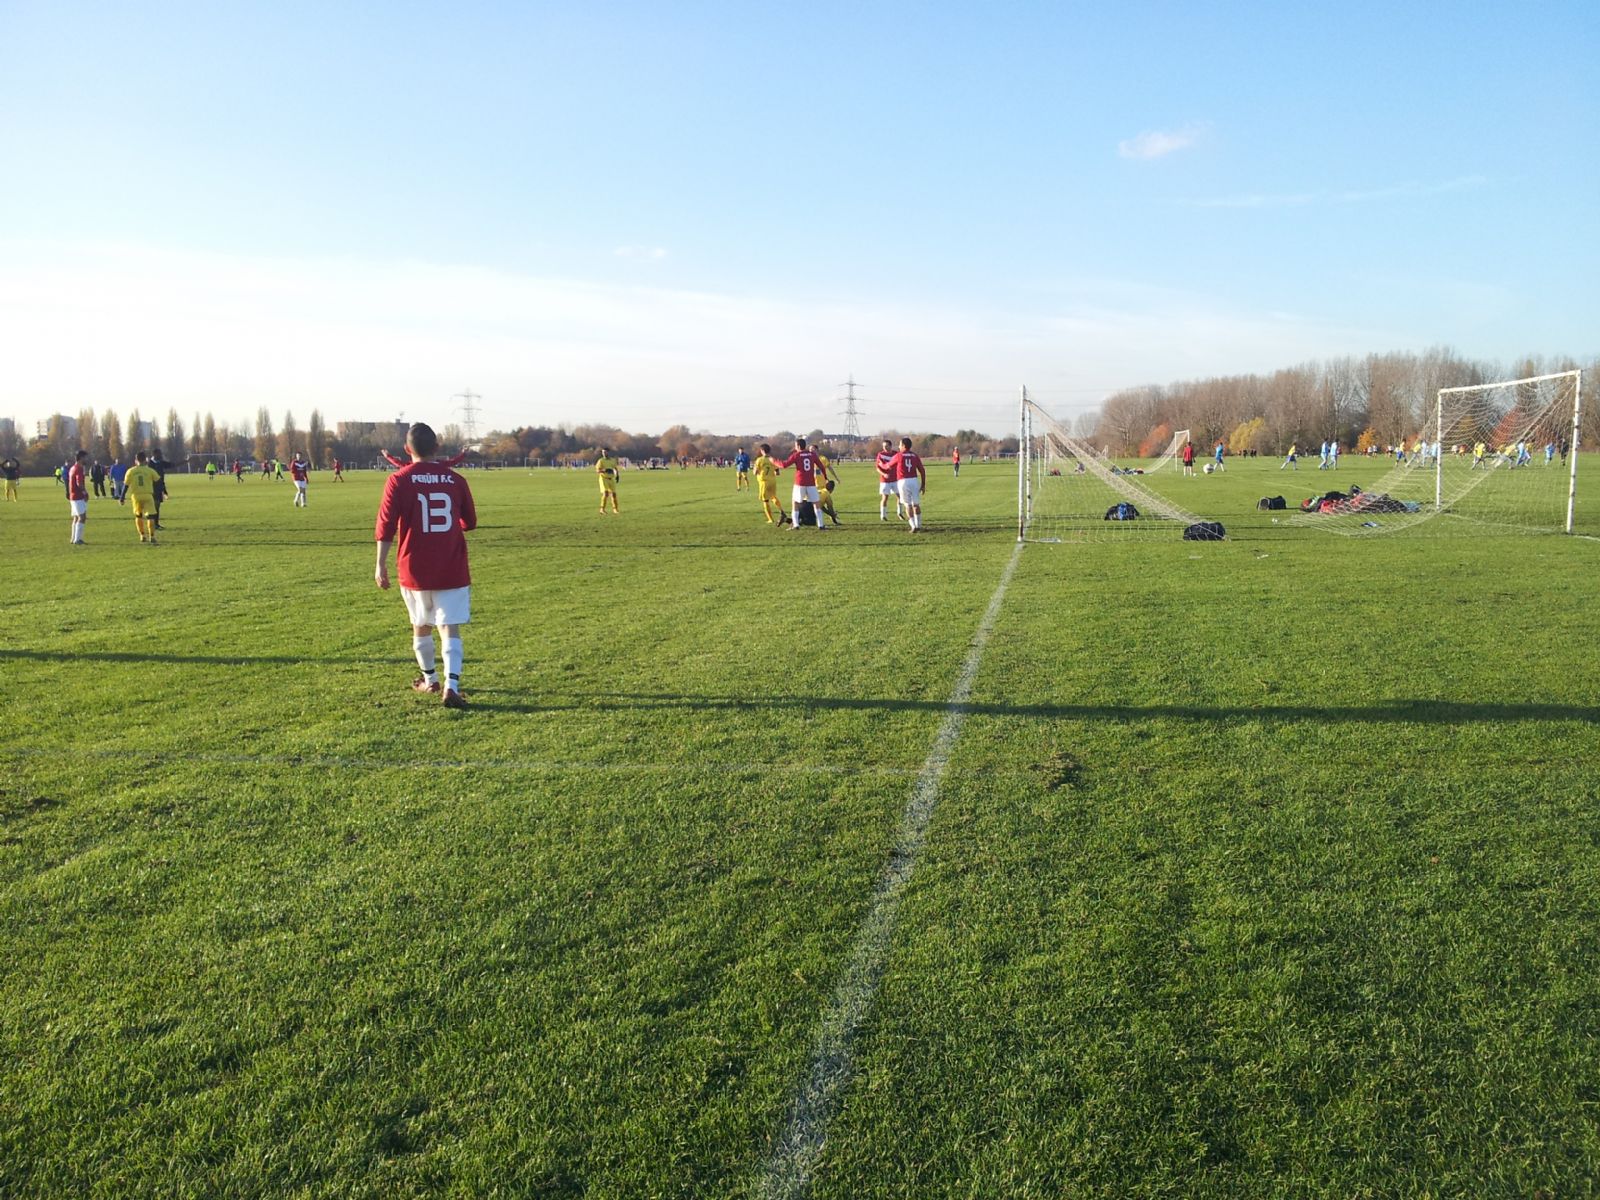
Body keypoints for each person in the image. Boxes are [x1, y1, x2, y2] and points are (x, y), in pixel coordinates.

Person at [374, 423, 477, 709]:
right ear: (437, 448)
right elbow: (470, 523)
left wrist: (380, 565)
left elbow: (385, 526)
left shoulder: (398, 480)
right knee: (449, 628)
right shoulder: (456, 480)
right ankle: (451, 685)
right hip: (451, 565)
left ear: (407, 450)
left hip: (414, 565)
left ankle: (430, 680)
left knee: (420, 625)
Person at [777, 437, 827, 532]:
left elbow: (784, 465)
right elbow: (821, 466)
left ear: (799, 446)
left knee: (795, 503)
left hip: (800, 483)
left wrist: (774, 461)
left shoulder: (797, 455)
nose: (795, 447)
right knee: (816, 504)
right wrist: (825, 477)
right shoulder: (812, 455)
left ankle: (796, 525)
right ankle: (821, 525)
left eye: (795, 446)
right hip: (811, 483)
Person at [887, 437, 927, 532]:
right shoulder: (915, 455)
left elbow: (888, 465)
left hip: (903, 481)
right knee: (916, 504)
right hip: (914, 480)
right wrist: (923, 484)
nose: (899, 447)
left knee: (907, 505)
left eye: (900, 445)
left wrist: (880, 465)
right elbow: (922, 470)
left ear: (904, 446)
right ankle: (919, 525)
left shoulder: (899, 455)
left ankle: (913, 526)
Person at [124, 451, 162, 544]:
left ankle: (142, 535)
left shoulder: (131, 471)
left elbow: (126, 485)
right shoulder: (149, 470)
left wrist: (122, 497)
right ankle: (152, 536)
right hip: (148, 495)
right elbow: (158, 481)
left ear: (136, 460)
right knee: (151, 517)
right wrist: (161, 492)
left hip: (136, 496)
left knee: (138, 516)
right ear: (145, 460)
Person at [752, 443, 785, 525]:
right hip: (772, 481)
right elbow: (777, 472)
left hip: (764, 482)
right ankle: (781, 511)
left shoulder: (759, 460)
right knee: (773, 497)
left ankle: (770, 519)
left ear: (762, 451)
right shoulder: (772, 459)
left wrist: (756, 471)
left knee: (765, 500)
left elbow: (755, 472)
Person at [875, 438, 904, 521]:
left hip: (895, 479)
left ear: (891, 446)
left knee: (900, 497)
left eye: (886, 446)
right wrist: (884, 474)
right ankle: (883, 515)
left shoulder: (896, 454)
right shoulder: (880, 454)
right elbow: (878, 468)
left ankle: (900, 513)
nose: (885, 448)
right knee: (885, 498)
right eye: (884, 446)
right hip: (885, 480)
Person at [66, 450, 89, 545]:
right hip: (78, 496)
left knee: (76, 517)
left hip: (73, 496)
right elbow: (79, 483)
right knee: (82, 517)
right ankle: (77, 539)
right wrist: (85, 493)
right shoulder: (79, 469)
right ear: (81, 458)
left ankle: (73, 538)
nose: (86, 459)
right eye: (85, 457)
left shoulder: (72, 468)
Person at [595, 447, 620, 514]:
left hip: (611, 479)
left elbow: (615, 469)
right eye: (603, 452)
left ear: (608, 452)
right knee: (606, 493)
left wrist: (617, 475)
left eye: (605, 452)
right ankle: (602, 509)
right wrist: (604, 470)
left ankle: (615, 509)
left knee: (614, 494)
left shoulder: (612, 460)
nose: (604, 453)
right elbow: (597, 470)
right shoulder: (601, 461)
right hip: (603, 478)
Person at [149, 450, 169, 529]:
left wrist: (164, 490)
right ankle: (153, 524)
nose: (161, 455)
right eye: (160, 454)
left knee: (157, 507)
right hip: (151, 488)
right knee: (153, 507)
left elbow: (172, 465)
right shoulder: (149, 464)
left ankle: (156, 524)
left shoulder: (160, 463)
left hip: (159, 488)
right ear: (155, 454)